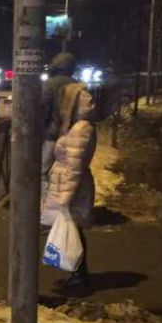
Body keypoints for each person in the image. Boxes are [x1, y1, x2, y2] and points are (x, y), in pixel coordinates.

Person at [42, 80, 97, 294]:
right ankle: (77, 275)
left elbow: (74, 166)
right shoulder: (79, 126)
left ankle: (79, 278)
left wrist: (63, 199)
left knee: (74, 231)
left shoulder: (80, 129)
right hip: (72, 185)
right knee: (74, 231)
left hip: (73, 188)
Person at [41, 52, 77, 201]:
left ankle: (45, 202)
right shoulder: (77, 85)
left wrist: (40, 128)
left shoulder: (50, 84)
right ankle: (63, 202)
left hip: (52, 134)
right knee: (66, 172)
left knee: (44, 171)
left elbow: (44, 109)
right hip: (72, 135)